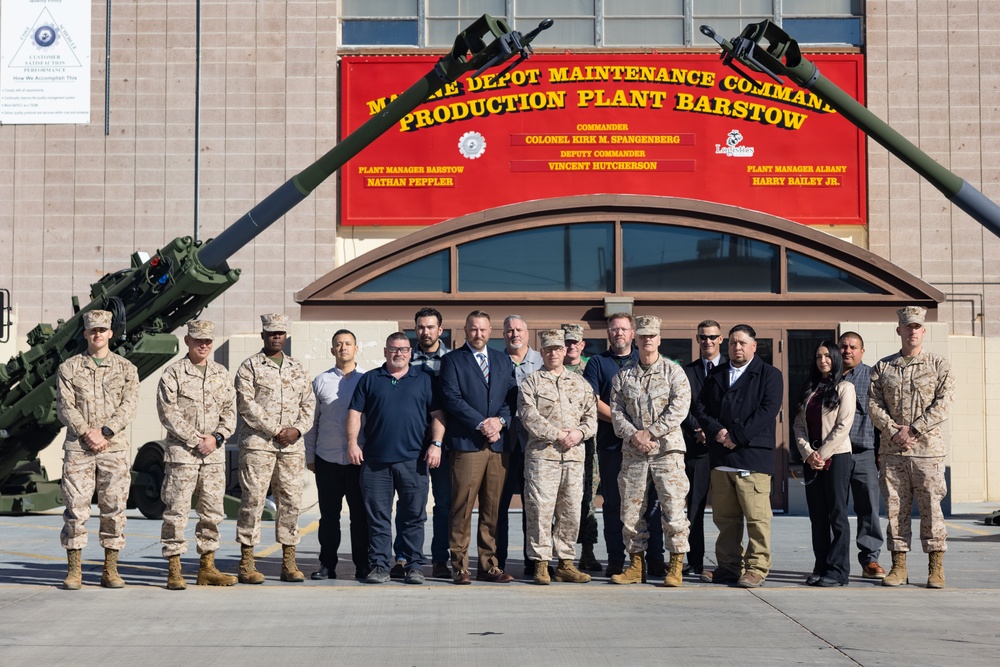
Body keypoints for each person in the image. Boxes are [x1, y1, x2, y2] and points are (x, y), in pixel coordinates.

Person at [347, 332, 445, 585]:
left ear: (410, 352)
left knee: (414, 517)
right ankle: (379, 565)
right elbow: (355, 413)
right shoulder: (370, 379)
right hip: (375, 462)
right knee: (378, 517)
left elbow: (438, 415)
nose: (398, 353)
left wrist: (436, 445)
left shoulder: (423, 380)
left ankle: (414, 566)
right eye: (393, 349)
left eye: (403, 349)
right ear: (385, 351)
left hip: (414, 461)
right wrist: (352, 444)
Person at [869, 306, 955, 588]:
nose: (913, 331)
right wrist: (894, 430)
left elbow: (944, 403)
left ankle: (935, 567)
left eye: (917, 326)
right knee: (896, 509)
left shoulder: (938, 365)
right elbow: (873, 404)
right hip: (893, 452)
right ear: (899, 330)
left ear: (924, 330)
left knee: (931, 508)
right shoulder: (883, 367)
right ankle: (899, 567)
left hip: (927, 451)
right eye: (908, 326)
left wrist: (914, 428)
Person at [694, 323, 783, 588]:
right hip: (722, 458)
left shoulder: (769, 374)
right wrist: (717, 431)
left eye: (742, 342)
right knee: (726, 519)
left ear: (754, 346)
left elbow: (768, 410)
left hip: (752, 456)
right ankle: (729, 566)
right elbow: (700, 406)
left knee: (757, 519)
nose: (737, 347)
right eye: (733, 342)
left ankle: (756, 568)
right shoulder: (717, 373)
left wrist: (737, 436)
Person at [57, 309, 140, 590]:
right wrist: (86, 432)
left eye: (103, 330)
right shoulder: (69, 368)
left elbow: (129, 406)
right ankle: (74, 571)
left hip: (113, 448)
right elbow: (65, 406)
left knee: (114, 508)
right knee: (75, 509)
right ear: (85, 334)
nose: (98, 334)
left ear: (110, 334)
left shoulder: (126, 369)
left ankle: (110, 570)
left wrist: (105, 432)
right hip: (79, 449)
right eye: (93, 330)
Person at [610, 316, 692, 587]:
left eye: (652, 335)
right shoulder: (623, 375)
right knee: (631, 510)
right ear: (635, 338)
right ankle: (635, 566)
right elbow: (616, 411)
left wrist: (652, 432)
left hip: (667, 451)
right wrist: (635, 435)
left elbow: (680, 407)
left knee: (673, 507)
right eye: (642, 335)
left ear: (659, 339)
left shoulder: (673, 372)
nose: (647, 340)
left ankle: (676, 565)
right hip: (634, 452)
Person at [157, 320, 239, 590]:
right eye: (198, 340)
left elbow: (230, 413)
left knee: (212, 513)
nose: (203, 345)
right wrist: (196, 440)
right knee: (177, 512)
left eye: (207, 341)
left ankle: (207, 568)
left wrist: (215, 439)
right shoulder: (174, 374)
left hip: (213, 456)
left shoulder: (221, 373)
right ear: (187, 341)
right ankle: (174, 569)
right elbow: (169, 414)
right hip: (183, 455)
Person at [234, 314, 315, 584]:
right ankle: (247, 562)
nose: (276, 337)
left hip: (291, 447)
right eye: (271, 333)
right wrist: (277, 430)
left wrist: (297, 430)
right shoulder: (249, 367)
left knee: (291, 502)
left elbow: (309, 404)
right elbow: (247, 405)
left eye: (280, 332)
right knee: (253, 501)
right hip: (259, 445)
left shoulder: (298, 368)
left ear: (286, 336)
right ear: (263, 336)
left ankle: (289, 562)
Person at [582, 313, 663, 576]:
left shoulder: (645, 362)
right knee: (614, 504)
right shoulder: (597, 362)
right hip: (612, 446)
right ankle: (616, 559)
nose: (618, 333)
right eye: (614, 329)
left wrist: (644, 433)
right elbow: (592, 401)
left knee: (649, 503)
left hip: (647, 447)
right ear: (608, 333)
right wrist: (630, 430)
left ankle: (655, 559)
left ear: (633, 334)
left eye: (624, 329)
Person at [440, 310, 517, 584]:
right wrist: (481, 423)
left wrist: (500, 421)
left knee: (492, 509)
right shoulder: (452, 361)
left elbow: (512, 397)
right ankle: (460, 566)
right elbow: (451, 397)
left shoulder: (502, 360)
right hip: (468, 444)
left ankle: (489, 565)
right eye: (473, 329)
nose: (478, 334)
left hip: (498, 445)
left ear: (490, 330)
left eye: (483, 329)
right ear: (465, 329)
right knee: (462, 507)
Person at [518, 329, 597, 585]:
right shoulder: (531, 382)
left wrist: (579, 433)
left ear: (565, 351)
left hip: (574, 458)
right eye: (548, 349)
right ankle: (541, 564)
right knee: (540, 510)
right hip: (543, 458)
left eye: (558, 348)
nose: (554, 353)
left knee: (571, 511)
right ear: (541, 352)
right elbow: (529, 416)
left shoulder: (581, 384)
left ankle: (565, 563)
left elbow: (591, 419)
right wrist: (557, 434)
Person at [304, 329, 368, 581]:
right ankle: (326, 565)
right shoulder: (320, 381)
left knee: (359, 517)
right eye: (338, 344)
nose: (343, 348)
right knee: (328, 517)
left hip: (357, 461)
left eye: (348, 343)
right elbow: (312, 423)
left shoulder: (367, 379)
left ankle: (362, 565)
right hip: (327, 459)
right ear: (332, 350)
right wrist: (310, 456)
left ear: (356, 348)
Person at [792, 341, 856, 587]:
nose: (823, 361)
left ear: (836, 358)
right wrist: (808, 452)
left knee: (837, 514)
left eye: (827, 356)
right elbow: (798, 424)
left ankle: (838, 571)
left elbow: (843, 426)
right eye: (818, 356)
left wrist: (822, 454)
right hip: (812, 460)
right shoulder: (810, 388)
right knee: (817, 516)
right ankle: (821, 566)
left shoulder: (845, 388)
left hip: (837, 457)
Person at [403, 307, 452, 580]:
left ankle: (440, 559)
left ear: (440, 330)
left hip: (443, 441)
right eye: (421, 327)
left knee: (444, 502)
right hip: (410, 441)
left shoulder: (454, 359)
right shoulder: (405, 358)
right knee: (410, 503)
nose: (425, 332)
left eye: (431, 327)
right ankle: (404, 557)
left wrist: (440, 441)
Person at [497, 314, 543, 576]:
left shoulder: (541, 362)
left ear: (527, 333)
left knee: (534, 505)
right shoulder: (496, 361)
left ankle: (534, 560)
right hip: (502, 444)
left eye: (518, 330)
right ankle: (497, 560)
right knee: (498, 504)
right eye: (509, 330)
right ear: (503, 335)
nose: (514, 334)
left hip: (534, 445)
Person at [839, 331, 886, 580]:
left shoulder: (872, 377)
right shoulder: (828, 377)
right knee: (834, 510)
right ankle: (833, 561)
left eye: (853, 347)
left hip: (863, 452)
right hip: (833, 455)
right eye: (843, 346)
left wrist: (879, 452)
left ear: (862, 351)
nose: (847, 351)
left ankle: (870, 560)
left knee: (868, 508)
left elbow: (881, 417)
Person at [680, 319, 725, 578]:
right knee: (694, 508)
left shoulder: (732, 369)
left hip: (725, 448)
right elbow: (683, 405)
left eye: (712, 337)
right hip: (696, 448)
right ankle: (695, 561)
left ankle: (728, 562)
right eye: (703, 337)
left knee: (727, 509)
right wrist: (697, 430)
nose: (707, 341)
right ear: (697, 340)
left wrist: (717, 432)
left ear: (721, 339)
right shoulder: (687, 372)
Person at [562, 322, 601, 572]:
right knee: (560, 501)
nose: (570, 346)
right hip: (559, 445)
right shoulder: (551, 369)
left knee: (587, 500)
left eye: (575, 342)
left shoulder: (590, 369)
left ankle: (587, 550)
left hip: (588, 446)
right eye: (567, 341)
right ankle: (562, 555)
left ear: (582, 345)